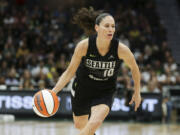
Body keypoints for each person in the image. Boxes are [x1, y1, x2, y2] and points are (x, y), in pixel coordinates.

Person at [52, 7, 141, 135]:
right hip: (82, 88)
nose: (111, 29)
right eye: (107, 26)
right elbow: (69, 72)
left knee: (94, 122)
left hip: (105, 91)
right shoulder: (84, 46)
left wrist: (137, 92)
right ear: (97, 28)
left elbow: (135, 69)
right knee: (81, 126)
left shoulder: (121, 49)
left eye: (113, 26)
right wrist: (54, 91)